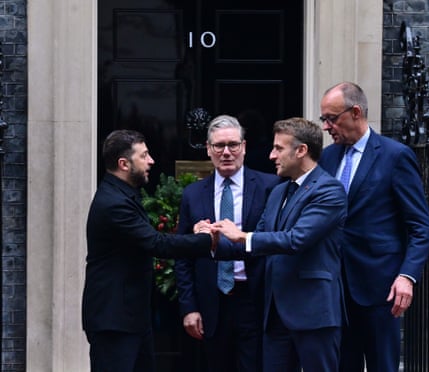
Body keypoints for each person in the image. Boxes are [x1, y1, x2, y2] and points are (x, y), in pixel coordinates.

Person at [212, 117, 347, 371]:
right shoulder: (277, 192)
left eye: (278, 148)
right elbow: (257, 244)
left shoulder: (330, 191)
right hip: (275, 314)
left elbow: (297, 239)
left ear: (301, 150)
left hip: (313, 313)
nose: (272, 155)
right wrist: (211, 240)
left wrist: (242, 235)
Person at [318, 81, 429, 372]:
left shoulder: (395, 156)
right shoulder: (328, 157)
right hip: (335, 287)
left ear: (355, 112)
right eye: (324, 119)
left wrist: (407, 275)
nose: (326, 127)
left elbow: (421, 226)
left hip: (379, 289)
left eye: (332, 118)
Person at [82, 129, 214, 372]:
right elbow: (156, 243)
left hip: (131, 317)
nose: (151, 160)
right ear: (124, 164)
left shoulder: (123, 195)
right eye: (144, 155)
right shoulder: (114, 203)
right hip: (115, 320)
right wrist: (206, 240)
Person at [174, 114, 281, 372]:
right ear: (209, 150)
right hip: (211, 302)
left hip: (254, 299)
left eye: (233, 145)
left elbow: (277, 243)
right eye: (218, 146)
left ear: (244, 147)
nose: (226, 152)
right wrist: (189, 308)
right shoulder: (193, 194)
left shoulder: (270, 186)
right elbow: (183, 256)